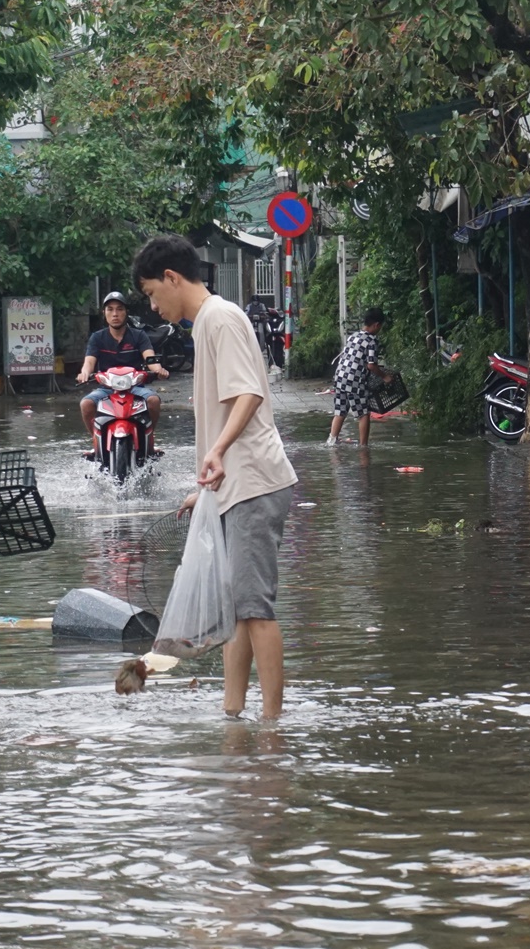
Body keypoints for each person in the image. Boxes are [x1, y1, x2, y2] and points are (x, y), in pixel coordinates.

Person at [135, 234, 298, 721]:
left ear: (171, 278)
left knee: (254, 609)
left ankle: (272, 726)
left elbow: (247, 395)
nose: (152, 304)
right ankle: (233, 716)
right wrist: (204, 486)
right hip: (233, 485)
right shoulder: (208, 321)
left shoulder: (221, 318)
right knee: (235, 614)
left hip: (254, 482)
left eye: (150, 293)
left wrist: (220, 452)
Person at [77, 290, 168, 456]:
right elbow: (89, 362)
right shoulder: (97, 338)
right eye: (110, 309)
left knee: (153, 400)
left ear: (126, 312)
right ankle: (96, 443)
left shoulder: (139, 335)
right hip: (107, 387)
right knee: (86, 404)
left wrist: (158, 370)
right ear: (104, 314)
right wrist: (84, 373)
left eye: (119, 309)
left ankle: (149, 440)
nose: (115, 314)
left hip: (134, 387)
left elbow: (150, 358)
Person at [327, 307, 386, 448]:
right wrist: (385, 377)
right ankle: (363, 446)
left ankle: (331, 441)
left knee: (340, 411)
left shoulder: (353, 336)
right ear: (376, 325)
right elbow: (371, 365)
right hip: (354, 380)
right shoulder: (371, 341)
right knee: (363, 413)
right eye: (380, 327)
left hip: (340, 377)